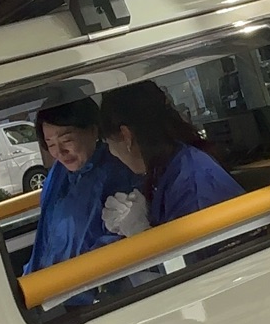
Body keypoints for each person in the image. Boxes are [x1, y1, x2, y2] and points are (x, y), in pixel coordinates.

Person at [99, 82, 242, 228]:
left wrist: (141, 230)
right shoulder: (170, 168)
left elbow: (197, 247)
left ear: (126, 136)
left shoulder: (191, 185)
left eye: (108, 142)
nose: (111, 151)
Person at [24, 93, 137, 274]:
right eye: (50, 144)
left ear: (93, 130)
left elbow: (114, 249)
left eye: (67, 140)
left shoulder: (116, 174)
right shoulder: (58, 173)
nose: (59, 152)